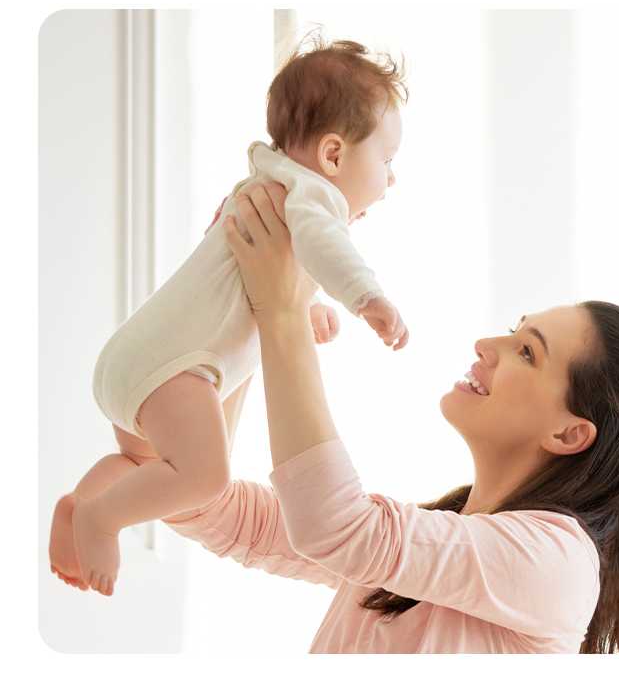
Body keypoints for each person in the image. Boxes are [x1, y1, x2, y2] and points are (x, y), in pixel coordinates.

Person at [162, 182, 619, 654]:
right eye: (513, 331)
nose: (487, 344)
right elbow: (205, 505)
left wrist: (280, 309)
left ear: (569, 433)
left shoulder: (558, 563)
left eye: (527, 352)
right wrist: (243, 313)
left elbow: (333, 525)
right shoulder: (426, 540)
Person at [48, 35, 409, 596]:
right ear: (333, 155)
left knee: (145, 464)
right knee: (206, 478)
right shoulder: (313, 197)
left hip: (143, 364)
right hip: (174, 374)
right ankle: (101, 519)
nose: (391, 179)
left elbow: (247, 279)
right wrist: (368, 298)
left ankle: (80, 503)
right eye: (386, 161)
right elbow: (327, 247)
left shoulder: (266, 184)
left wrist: (307, 306)